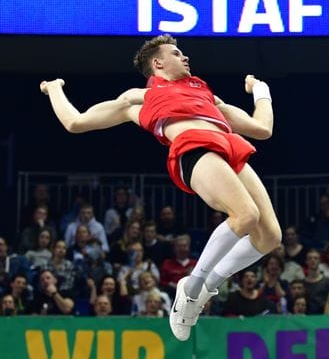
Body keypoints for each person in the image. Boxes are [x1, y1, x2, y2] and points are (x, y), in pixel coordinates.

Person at [40, 34, 280, 340]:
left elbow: (262, 128)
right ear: (158, 62)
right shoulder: (139, 98)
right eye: (177, 53)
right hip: (193, 148)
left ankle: (205, 288)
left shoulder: (206, 94)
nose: (186, 57)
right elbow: (76, 122)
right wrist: (55, 90)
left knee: (270, 236)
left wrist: (261, 90)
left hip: (229, 148)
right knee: (245, 216)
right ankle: (191, 287)